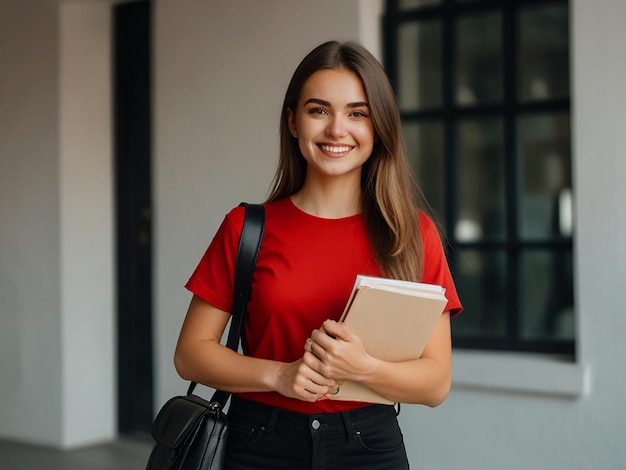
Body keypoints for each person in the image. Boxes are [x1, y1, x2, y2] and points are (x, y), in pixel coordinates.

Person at [174, 40, 462, 470]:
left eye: (357, 113)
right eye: (319, 110)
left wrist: (362, 367)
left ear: (378, 126)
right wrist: (278, 375)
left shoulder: (412, 235)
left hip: (370, 448)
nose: (337, 130)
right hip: (258, 443)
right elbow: (190, 355)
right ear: (293, 122)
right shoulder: (247, 228)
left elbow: (436, 383)